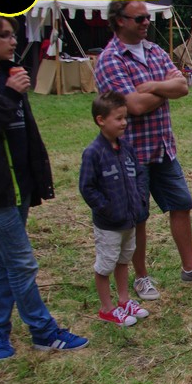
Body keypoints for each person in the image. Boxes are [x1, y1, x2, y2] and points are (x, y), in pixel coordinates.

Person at [94, 0, 192, 301]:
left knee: (181, 205)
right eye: (139, 18)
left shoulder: (154, 50)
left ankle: (190, 268)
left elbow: (183, 87)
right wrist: (164, 90)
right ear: (119, 20)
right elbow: (134, 106)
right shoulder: (110, 59)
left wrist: (150, 86)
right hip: (131, 153)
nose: (145, 22)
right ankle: (141, 277)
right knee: (137, 217)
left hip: (163, 148)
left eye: (146, 17)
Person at [0, 9, 88, 359]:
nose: (13, 41)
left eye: (13, 34)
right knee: (22, 263)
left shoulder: (9, 74)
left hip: (18, 187)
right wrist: (9, 95)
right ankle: (43, 331)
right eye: (4, 35)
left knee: (4, 263)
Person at [78, 91, 151, 326]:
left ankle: (124, 300)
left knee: (123, 260)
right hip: (109, 224)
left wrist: (140, 198)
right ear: (101, 120)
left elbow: (139, 174)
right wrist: (106, 208)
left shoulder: (127, 148)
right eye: (118, 118)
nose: (124, 123)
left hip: (129, 220)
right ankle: (107, 308)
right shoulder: (93, 153)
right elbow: (87, 187)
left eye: (125, 117)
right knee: (106, 264)